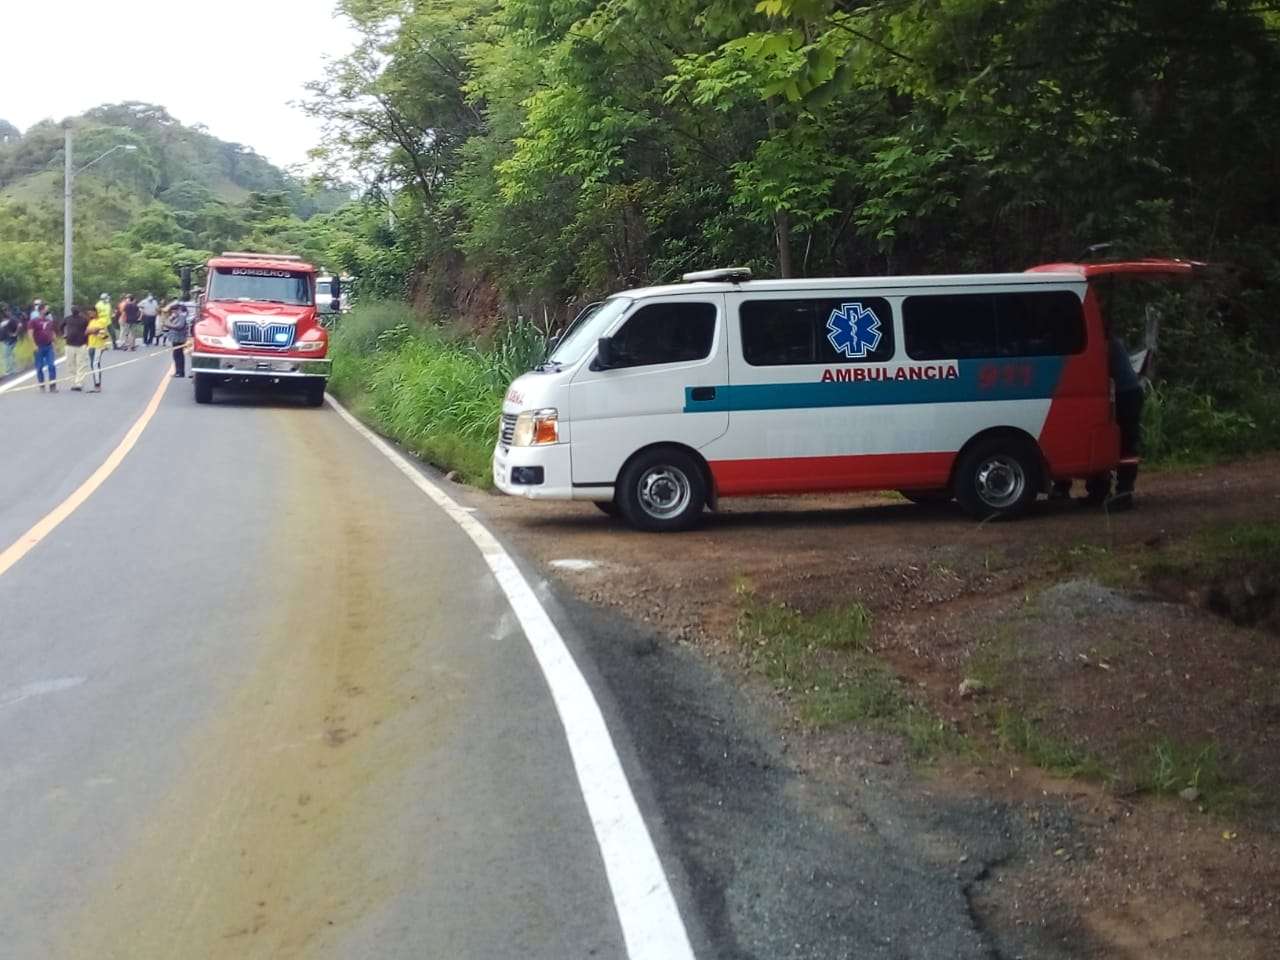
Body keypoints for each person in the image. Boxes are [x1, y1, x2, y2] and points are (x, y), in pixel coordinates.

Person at [61, 306, 91, 391]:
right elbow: (61, 326)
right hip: (70, 344)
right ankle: (73, 382)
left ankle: (79, 383)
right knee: (71, 364)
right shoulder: (68, 319)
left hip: (81, 344)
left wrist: (86, 341)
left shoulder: (84, 320)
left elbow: (88, 330)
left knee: (81, 364)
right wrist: (64, 334)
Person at [28, 305, 57, 392]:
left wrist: (55, 343)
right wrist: (34, 345)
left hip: (49, 346)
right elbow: (30, 333)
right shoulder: (33, 321)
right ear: (41, 310)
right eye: (46, 310)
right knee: (39, 367)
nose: (47, 311)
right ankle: (42, 385)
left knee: (51, 365)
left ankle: (53, 385)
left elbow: (52, 332)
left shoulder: (49, 321)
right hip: (39, 346)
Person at [86, 301, 109, 392]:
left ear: (95, 312)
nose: (90, 314)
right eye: (89, 313)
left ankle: (97, 385)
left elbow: (102, 333)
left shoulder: (101, 321)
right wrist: (94, 331)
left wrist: (94, 331)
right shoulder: (91, 321)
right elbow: (87, 332)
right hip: (91, 345)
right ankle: (96, 383)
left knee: (95, 364)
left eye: (91, 312)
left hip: (98, 346)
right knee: (92, 365)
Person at [165, 302, 190, 377]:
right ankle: (178, 371)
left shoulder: (182, 316)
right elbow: (168, 321)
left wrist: (169, 325)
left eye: (174, 311)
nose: (173, 312)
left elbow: (179, 326)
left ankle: (180, 372)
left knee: (178, 355)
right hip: (175, 338)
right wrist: (171, 318)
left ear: (178, 310)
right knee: (176, 355)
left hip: (179, 338)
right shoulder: (176, 316)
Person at [0, 303, 21, 376]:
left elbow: (19, 325)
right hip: (6, 339)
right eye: (4, 310)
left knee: (7, 355)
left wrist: (15, 333)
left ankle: (10, 370)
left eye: (6, 310)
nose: (5, 311)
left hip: (9, 340)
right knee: (10, 355)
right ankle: (12, 369)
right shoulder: (4, 319)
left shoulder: (12, 318)